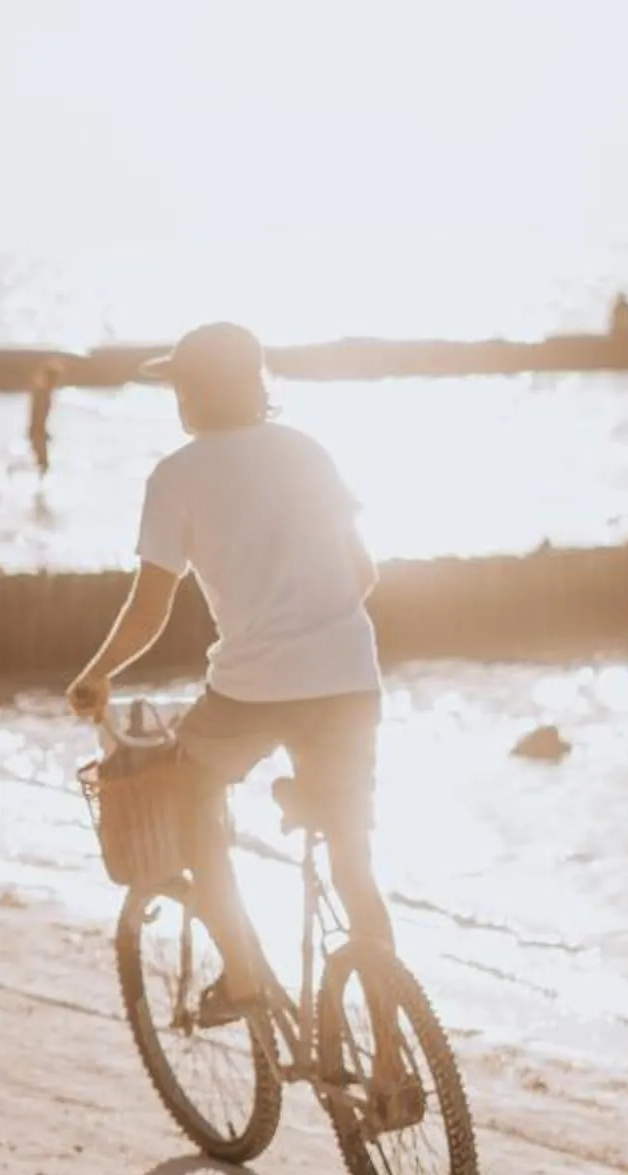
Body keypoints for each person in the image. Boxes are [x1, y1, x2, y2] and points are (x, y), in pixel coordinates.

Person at [67, 320, 415, 1119]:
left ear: (190, 394)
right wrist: (314, 630)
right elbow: (363, 571)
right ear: (258, 387)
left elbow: (151, 609)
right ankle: (394, 1069)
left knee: (194, 801)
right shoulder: (307, 452)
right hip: (350, 681)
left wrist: (97, 674)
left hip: (252, 690)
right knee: (355, 868)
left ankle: (246, 972)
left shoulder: (176, 476)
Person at [26, 363, 58, 479]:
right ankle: (39, 491)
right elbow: (36, 414)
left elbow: (41, 415)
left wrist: (44, 430)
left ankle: (40, 491)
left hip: (38, 430)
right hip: (36, 430)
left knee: (42, 463)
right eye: (54, 379)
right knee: (43, 463)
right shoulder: (42, 393)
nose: (55, 383)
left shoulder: (45, 392)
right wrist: (39, 430)